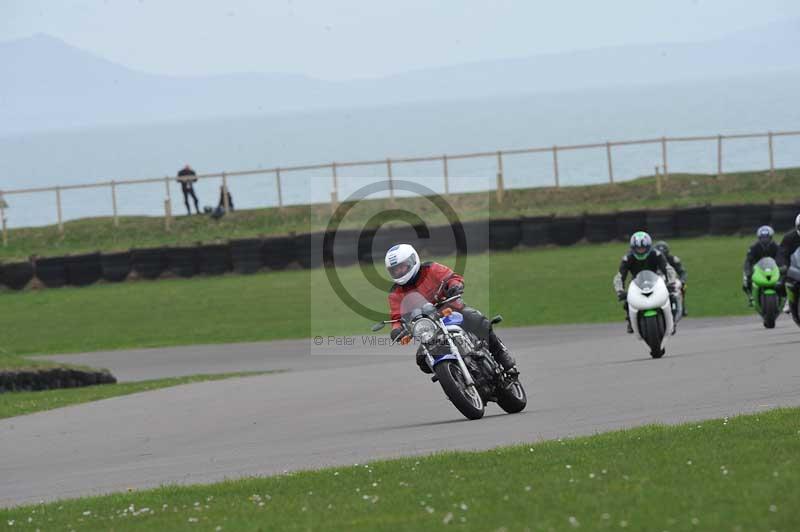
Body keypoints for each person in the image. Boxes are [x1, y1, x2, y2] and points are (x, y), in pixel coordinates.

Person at [385, 243, 518, 376]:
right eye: (395, 270)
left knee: (477, 320)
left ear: (412, 260)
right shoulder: (395, 293)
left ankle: (501, 354)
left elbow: (452, 277)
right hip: (430, 327)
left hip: (451, 310)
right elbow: (397, 317)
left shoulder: (430, 268)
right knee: (422, 360)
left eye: (402, 267)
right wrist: (396, 329)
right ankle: (454, 376)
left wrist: (454, 286)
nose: (399, 272)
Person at [613, 231, 676, 334]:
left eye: (643, 248)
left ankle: (671, 320)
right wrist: (620, 291)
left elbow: (668, 269)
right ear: (633, 248)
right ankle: (630, 321)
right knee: (627, 301)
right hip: (636, 283)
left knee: (671, 296)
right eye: (638, 248)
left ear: (648, 246)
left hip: (656, 281)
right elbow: (620, 276)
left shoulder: (656, 254)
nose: (641, 251)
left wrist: (671, 283)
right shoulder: (627, 258)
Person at [742, 225, 778, 306]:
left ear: (771, 237)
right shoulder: (753, 247)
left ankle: (784, 297)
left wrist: (783, 266)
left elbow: (782, 258)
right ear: (759, 238)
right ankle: (751, 297)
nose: (765, 240)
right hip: (758, 269)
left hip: (773, 269)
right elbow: (748, 260)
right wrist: (748, 271)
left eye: (767, 237)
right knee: (746, 279)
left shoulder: (776, 247)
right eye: (762, 238)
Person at [654, 240, 688, 316]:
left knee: (683, 287)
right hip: (656, 280)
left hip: (671, 279)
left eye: (664, 253)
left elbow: (682, 272)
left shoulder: (673, 259)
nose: (662, 256)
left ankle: (683, 306)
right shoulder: (652, 260)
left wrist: (682, 280)